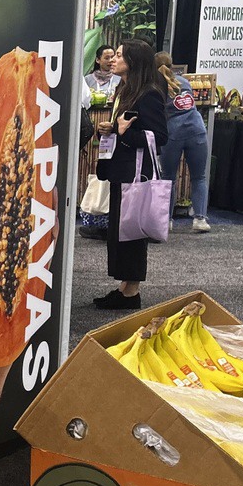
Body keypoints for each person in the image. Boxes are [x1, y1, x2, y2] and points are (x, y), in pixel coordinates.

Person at [93, 39, 168, 310]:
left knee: (132, 232)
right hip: (122, 170)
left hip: (136, 174)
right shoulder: (126, 89)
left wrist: (123, 133)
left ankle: (131, 292)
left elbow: (159, 137)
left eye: (120, 55)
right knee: (120, 230)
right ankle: (124, 287)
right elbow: (128, 127)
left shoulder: (149, 94)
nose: (113, 59)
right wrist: (112, 129)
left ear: (134, 61)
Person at [155, 52, 210, 233]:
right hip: (197, 130)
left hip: (172, 133)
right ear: (172, 65)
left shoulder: (155, 86)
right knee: (199, 177)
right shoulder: (184, 82)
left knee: (168, 178)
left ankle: (166, 220)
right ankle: (200, 219)